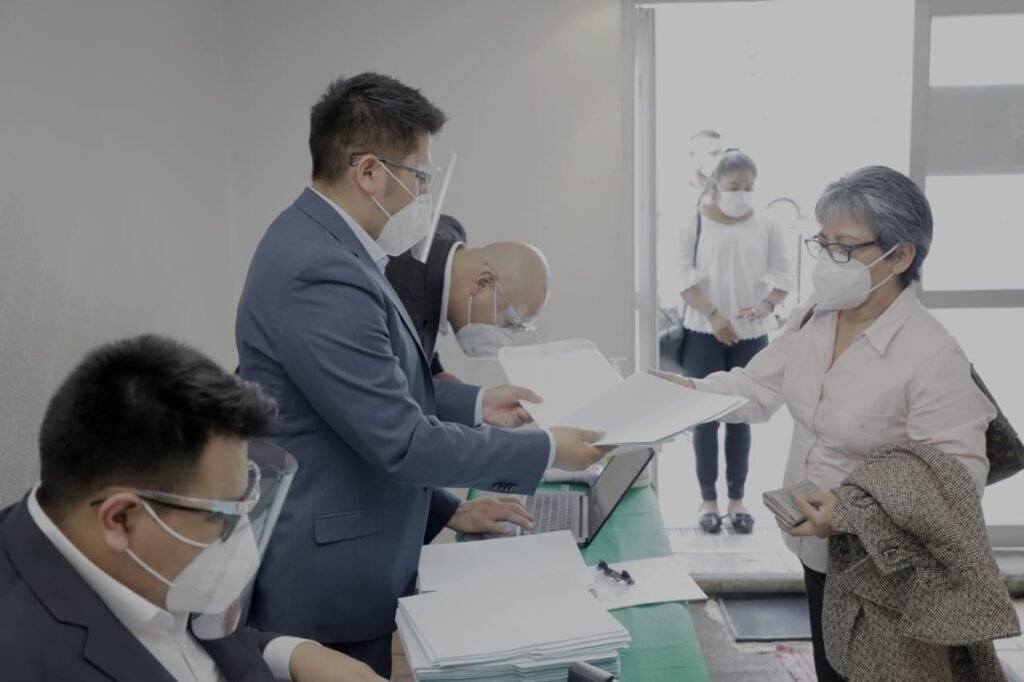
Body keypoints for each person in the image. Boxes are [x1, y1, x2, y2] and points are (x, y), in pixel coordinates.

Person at [235, 72, 606, 678]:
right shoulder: (319, 269)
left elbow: (373, 394)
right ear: (369, 172)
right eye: (421, 176)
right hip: (327, 577)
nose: (426, 196)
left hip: (356, 550)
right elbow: (400, 439)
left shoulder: (338, 248)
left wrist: (454, 480)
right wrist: (545, 449)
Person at [655, 166, 996, 681]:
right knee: (832, 668)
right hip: (816, 551)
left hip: (886, 572)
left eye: (845, 247)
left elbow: (957, 479)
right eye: (823, 243)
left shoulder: (931, 354)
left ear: (900, 256)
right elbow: (756, 387)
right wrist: (683, 393)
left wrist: (851, 511)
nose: (828, 260)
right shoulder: (817, 315)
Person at [0, 334, 383, 681]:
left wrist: (291, 655)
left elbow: (185, 642)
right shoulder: (21, 656)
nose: (244, 542)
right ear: (120, 519)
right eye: (223, 517)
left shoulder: (142, 561)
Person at [387, 226, 552, 543]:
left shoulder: (442, 247)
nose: (505, 335)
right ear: (483, 282)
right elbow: (393, 432)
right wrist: (551, 449)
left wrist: (441, 376)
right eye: (509, 321)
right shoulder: (394, 288)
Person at [676, 149, 793, 534]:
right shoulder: (693, 222)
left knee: (743, 415)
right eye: (734, 186)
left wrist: (765, 306)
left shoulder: (767, 224)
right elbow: (681, 277)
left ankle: (737, 499)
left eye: (748, 187)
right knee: (704, 417)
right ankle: (708, 500)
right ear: (715, 184)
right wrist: (714, 316)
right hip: (702, 333)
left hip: (751, 335)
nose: (741, 194)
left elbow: (783, 276)